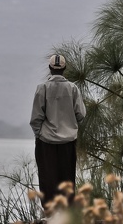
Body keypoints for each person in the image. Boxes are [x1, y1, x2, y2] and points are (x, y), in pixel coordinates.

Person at [29, 54, 86, 212]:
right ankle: (66, 213)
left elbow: (36, 118)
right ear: (64, 69)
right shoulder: (73, 88)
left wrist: (40, 134)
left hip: (46, 142)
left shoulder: (43, 88)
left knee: (47, 178)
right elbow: (81, 114)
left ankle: (49, 212)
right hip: (68, 141)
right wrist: (70, 126)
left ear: (50, 68)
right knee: (67, 178)